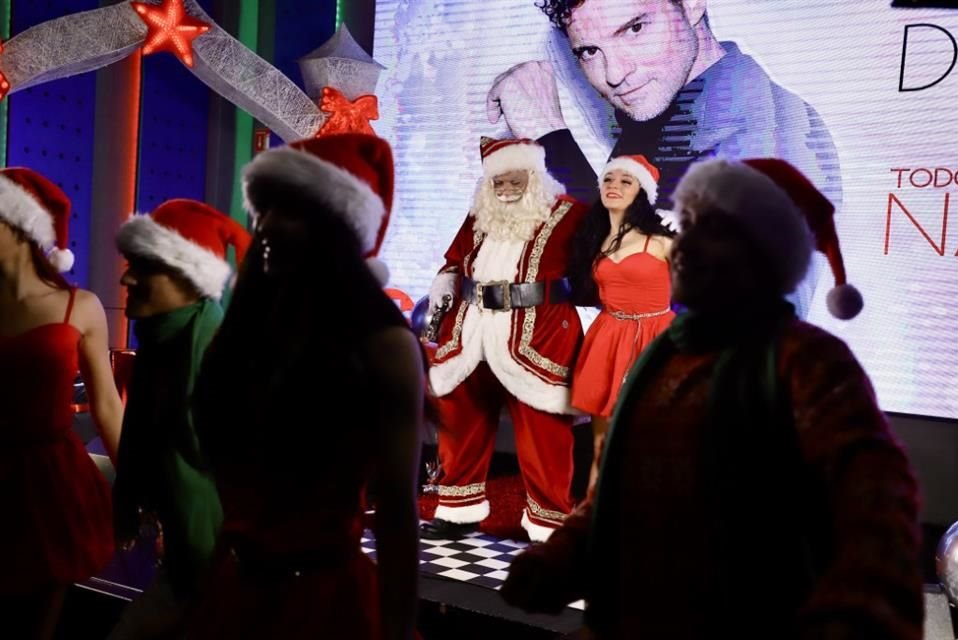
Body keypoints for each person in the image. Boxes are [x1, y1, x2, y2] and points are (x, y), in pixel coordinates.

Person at [500, 158, 923, 639]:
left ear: (765, 252)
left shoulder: (806, 361)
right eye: (691, 225)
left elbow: (877, 510)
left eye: (714, 231)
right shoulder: (664, 353)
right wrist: (562, 557)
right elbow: (618, 490)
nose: (685, 246)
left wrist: (852, 619)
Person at [188, 133, 423, 640]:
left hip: (321, 603)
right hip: (234, 588)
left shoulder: (382, 342)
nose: (266, 226)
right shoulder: (247, 331)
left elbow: (398, 511)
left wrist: (400, 630)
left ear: (337, 225)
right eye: (265, 208)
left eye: (290, 210)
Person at [487, 0, 841, 318]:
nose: (614, 74)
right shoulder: (674, 112)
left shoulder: (757, 138)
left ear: (691, 5)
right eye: (590, 51)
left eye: (635, 29)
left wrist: (550, 138)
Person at [421, 136, 588, 543]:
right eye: (500, 184)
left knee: (543, 432)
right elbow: (454, 261)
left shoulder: (571, 214)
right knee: (460, 418)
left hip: (538, 332)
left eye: (516, 181)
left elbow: (601, 259)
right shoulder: (480, 215)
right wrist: (443, 293)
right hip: (472, 328)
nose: (508, 190)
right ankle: (458, 510)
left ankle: (549, 524)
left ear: (535, 177)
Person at [108, 198, 251, 639]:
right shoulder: (162, 344)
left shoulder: (221, 357)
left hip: (224, 577)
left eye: (143, 266)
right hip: (190, 566)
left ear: (189, 278)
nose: (126, 277)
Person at [0, 167, 122, 639]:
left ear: (20, 226)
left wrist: (143, 487)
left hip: (49, 486)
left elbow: (107, 407)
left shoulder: (82, 307)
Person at [567, 154, 675, 490]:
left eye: (625, 181)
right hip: (609, 334)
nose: (614, 186)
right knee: (602, 437)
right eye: (608, 179)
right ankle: (593, 516)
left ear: (641, 191)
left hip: (655, 336)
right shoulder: (594, 238)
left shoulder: (660, 241)